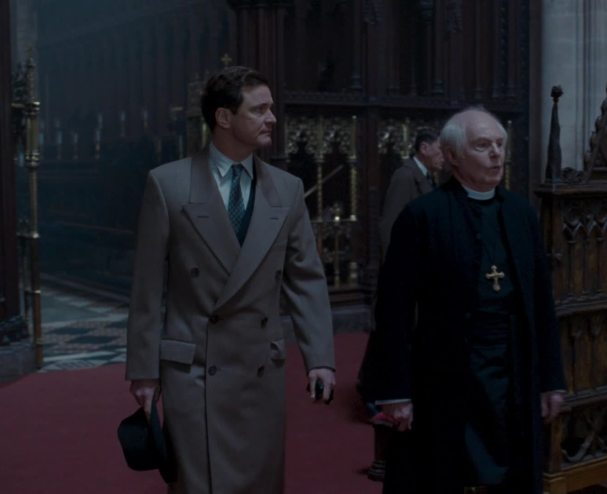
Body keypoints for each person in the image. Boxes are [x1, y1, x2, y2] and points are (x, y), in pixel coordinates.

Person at [125, 65, 336, 494]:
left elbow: (306, 279)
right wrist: (144, 373)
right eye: (259, 109)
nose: (272, 118)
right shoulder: (168, 184)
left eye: (271, 108)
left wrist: (320, 358)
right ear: (224, 117)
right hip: (194, 372)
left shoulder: (288, 189)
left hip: (260, 370)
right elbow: (147, 289)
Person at [363, 107, 566, 494]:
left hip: (512, 367)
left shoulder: (521, 214)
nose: (496, 154)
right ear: (453, 156)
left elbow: (542, 304)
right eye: (483, 145)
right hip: (445, 371)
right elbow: (394, 311)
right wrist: (396, 391)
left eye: (500, 144)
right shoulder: (423, 216)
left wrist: (551, 380)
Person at [378, 128, 443, 257]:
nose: (445, 157)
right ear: (424, 148)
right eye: (441, 150)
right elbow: (391, 223)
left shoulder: (427, 177)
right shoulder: (405, 176)